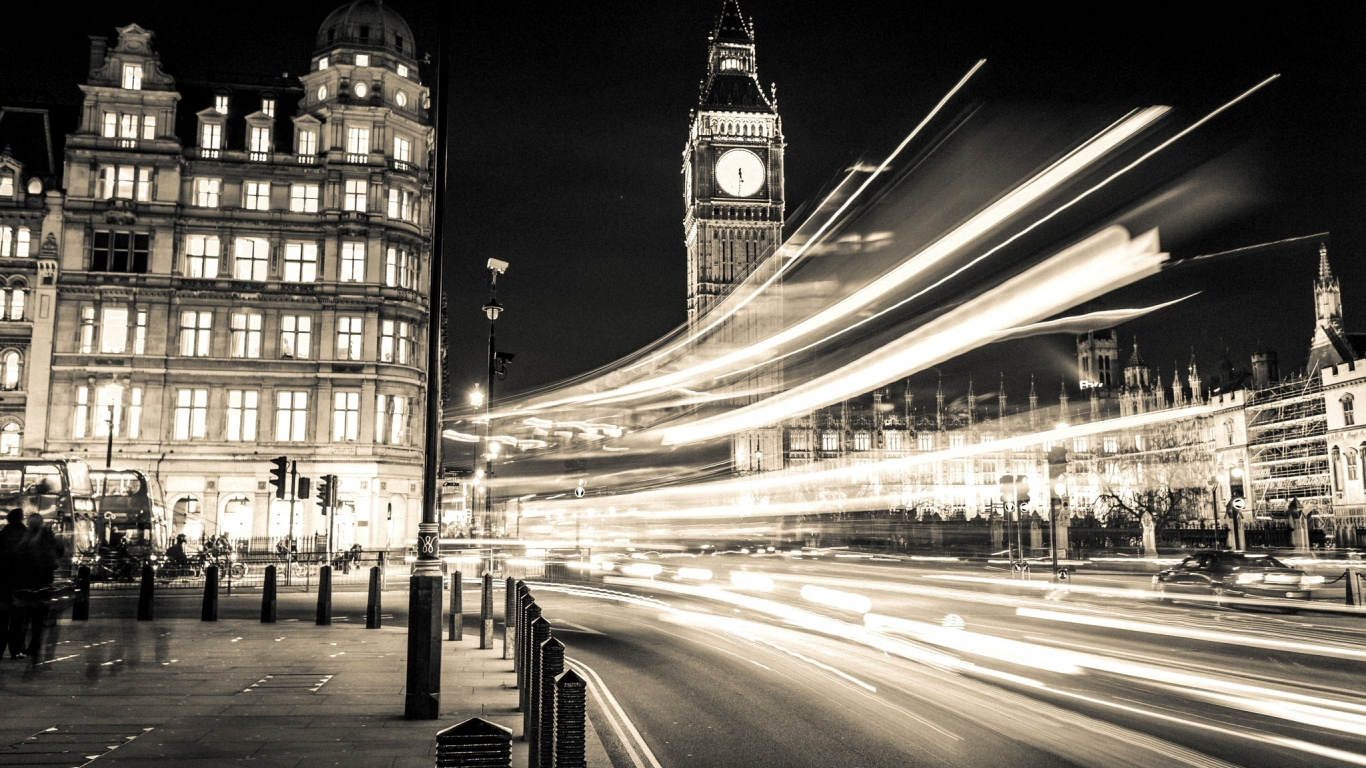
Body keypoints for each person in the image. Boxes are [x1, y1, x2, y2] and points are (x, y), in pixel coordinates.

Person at [11, 513, 61, 656]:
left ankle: (30, 643)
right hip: (38, 581)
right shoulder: (44, 538)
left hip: (34, 581)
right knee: (34, 616)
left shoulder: (31, 539)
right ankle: (32, 643)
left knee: (31, 615)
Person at [0, 509, 26, 659]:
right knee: (18, 619)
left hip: (2, 583)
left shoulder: (1, 535)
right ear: (21, 519)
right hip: (21, 583)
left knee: (1, 619)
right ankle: (16, 649)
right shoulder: (26, 536)